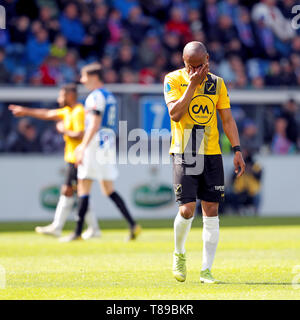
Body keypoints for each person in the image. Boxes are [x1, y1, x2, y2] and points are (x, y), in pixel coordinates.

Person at [164, 41, 245, 284]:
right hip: (185, 148)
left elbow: (227, 120)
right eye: (190, 66)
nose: (195, 71)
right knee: (187, 210)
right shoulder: (173, 79)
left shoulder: (218, 83)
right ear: (183, 62)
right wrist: (192, 86)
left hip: (211, 152)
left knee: (211, 211)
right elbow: (175, 114)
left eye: (199, 66)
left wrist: (237, 149)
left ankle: (206, 270)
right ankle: (179, 253)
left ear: (207, 59)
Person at [60, 63, 141, 242]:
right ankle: (133, 224)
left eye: (84, 77)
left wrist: (82, 146)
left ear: (94, 77)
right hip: (108, 143)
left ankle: (77, 232)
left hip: (95, 143)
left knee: (83, 184)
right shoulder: (109, 96)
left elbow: (95, 124)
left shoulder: (95, 97)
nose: (82, 80)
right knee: (108, 189)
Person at [9, 84, 100, 239]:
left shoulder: (78, 111)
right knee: (77, 192)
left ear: (70, 95)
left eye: (61, 95)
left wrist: (63, 130)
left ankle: (61, 227)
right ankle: (91, 228)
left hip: (79, 158)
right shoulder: (68, 111)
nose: (59, 99)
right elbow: (47, 113)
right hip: (73, 158)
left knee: (73, 191)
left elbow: (80, 134)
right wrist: (26, 111)